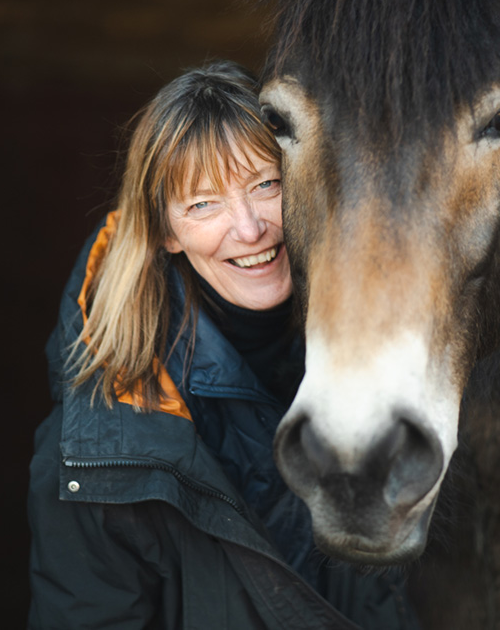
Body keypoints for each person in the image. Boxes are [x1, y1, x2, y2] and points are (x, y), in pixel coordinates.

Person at [28, 60, 418, 630]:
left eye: (267, 184)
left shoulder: (397, 355)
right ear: (167, 233)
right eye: (203, 204)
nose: (250, 228)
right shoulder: (102, 443)